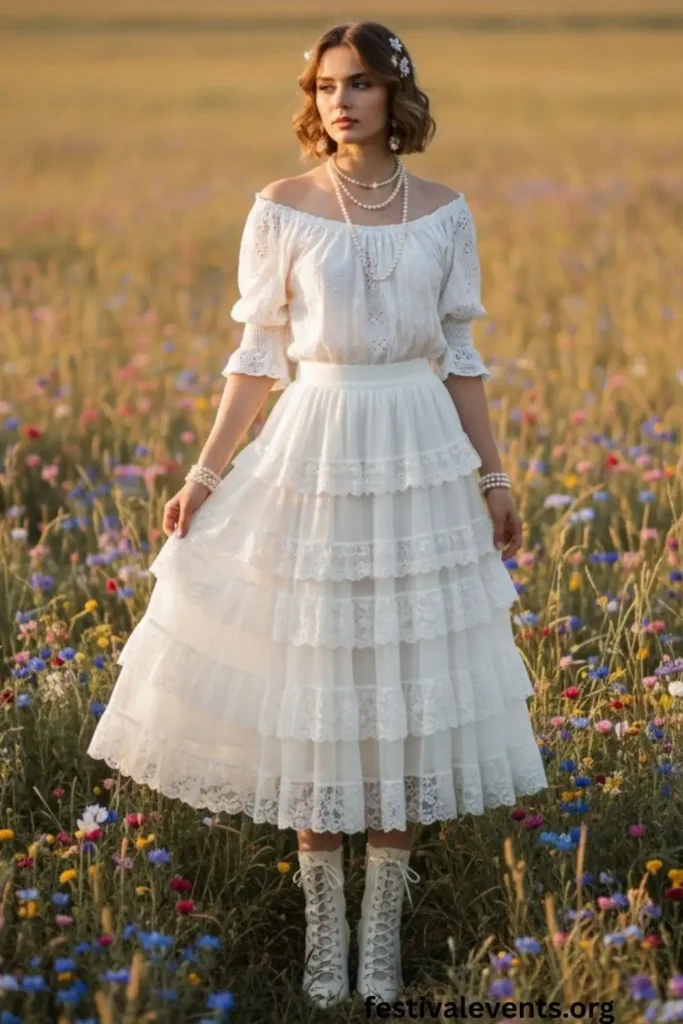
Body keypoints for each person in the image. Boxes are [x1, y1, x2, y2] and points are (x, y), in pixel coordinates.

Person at [87, 19, 548, 1011]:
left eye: (361, 85)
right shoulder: (282, 207)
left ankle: (378, 939)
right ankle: (320, 945)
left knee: (400, 681)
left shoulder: (444, 212)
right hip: (315, 446)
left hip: (416, 445)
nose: (340, 101)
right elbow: (255, 361)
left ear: (395, 98)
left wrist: (493, 479)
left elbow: (460, 362)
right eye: (326, 85)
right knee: (316, 677)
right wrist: (205, 478)